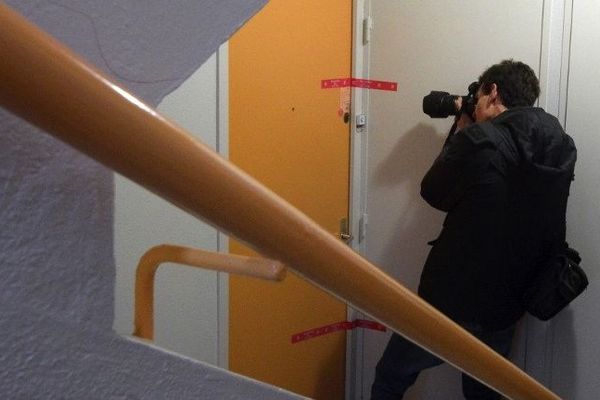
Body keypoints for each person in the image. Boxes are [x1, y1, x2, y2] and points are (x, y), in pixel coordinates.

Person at [371, 60, 577, 399]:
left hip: (452, 299)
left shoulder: (482, 139)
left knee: (391, 377)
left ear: (492, 92)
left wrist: (464, 129)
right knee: (484, 391)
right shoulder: (559, 147)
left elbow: (433, 192)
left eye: (478, 96)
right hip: (508, 303)